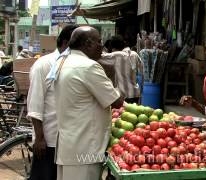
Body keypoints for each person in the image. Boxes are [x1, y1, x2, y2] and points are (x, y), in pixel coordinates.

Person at [53, 26, 124, 180]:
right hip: (85, 149)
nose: (102, 47)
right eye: (99, 42)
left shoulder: (62, 62)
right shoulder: (88, 66)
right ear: (88, 44)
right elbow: (117, 101)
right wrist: (113, 79)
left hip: (69, 145)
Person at [27, 24, 79, 180]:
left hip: (68, 140)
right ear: (65, 43)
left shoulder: (75, 65)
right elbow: (35, 102)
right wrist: (40, 137)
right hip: (48, 139)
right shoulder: (44, 64)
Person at [98, 35, 144, 104]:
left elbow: (100, 57)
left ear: (113, 48)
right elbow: (142, 70)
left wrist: (101, 46)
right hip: (135, 93)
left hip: (123, 95)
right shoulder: (134, 54)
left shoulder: (116, 55)